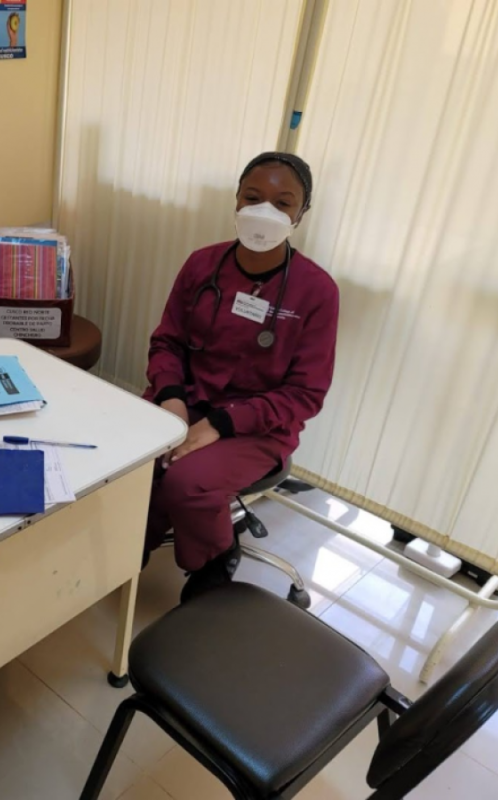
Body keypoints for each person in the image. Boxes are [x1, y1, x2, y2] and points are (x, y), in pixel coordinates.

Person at [144, 152, 340, 603]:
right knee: (130, 463)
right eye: (253, 197)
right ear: (236, 202)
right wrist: (171, 398)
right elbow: (167, 342)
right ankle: (131, 545)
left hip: (258, 426)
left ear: (300, 215)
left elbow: (306, 393)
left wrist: (221, 424)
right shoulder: (202, 266)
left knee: (186, 481)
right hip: (187, 400)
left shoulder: (316, 291)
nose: (264, 212)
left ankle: (214, 555)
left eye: (282, 203)